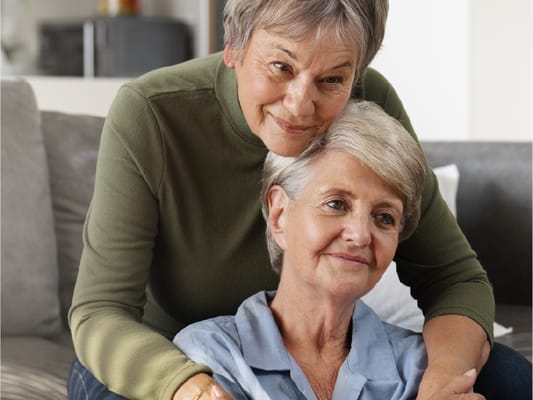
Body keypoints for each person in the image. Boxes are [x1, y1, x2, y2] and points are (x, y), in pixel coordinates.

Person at [66, 0, 530, 399]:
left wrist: (442, 384)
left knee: (504, 376)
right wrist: (189, 385)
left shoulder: (370, 101)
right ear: (234, 47)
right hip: (171, 358)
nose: (300, 104)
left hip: (311, 350)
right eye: (281, 67)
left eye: (332, 80)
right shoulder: (151, 113)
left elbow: (453, 277)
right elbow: (99, 312)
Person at [173, 100, 482, 399]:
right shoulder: (209, 356)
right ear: (280, 214)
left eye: (384, 217)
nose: (361, 235)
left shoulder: (420, 369)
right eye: (336, 204)